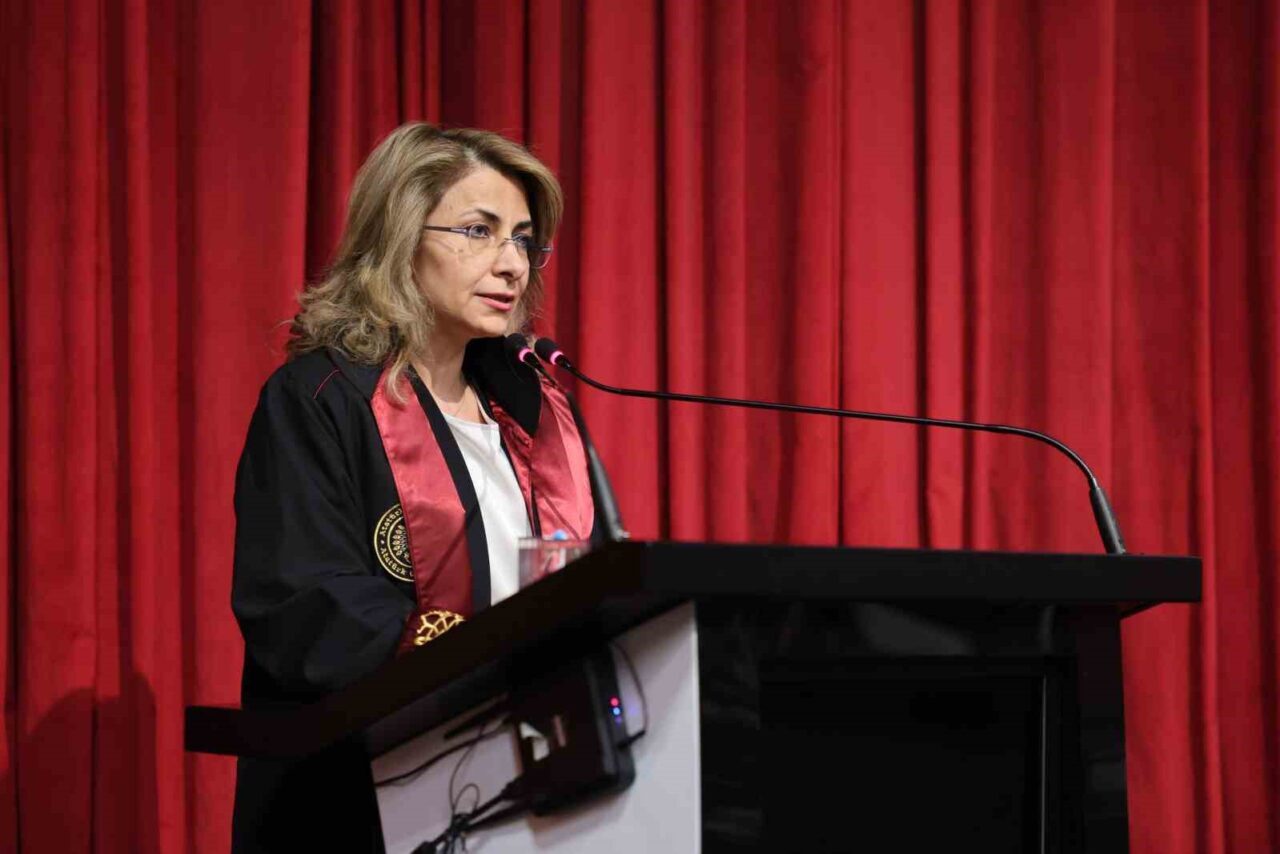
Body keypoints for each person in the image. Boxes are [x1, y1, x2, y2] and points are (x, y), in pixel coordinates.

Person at [229, 123, 596, 852]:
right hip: (363, 800)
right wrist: (484, 658)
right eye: (479, 232)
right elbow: (305, 607)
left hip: (526, 790)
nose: (512, 264)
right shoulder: (321, 400)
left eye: (524, 240)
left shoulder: (529, 411)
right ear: (400, 237)